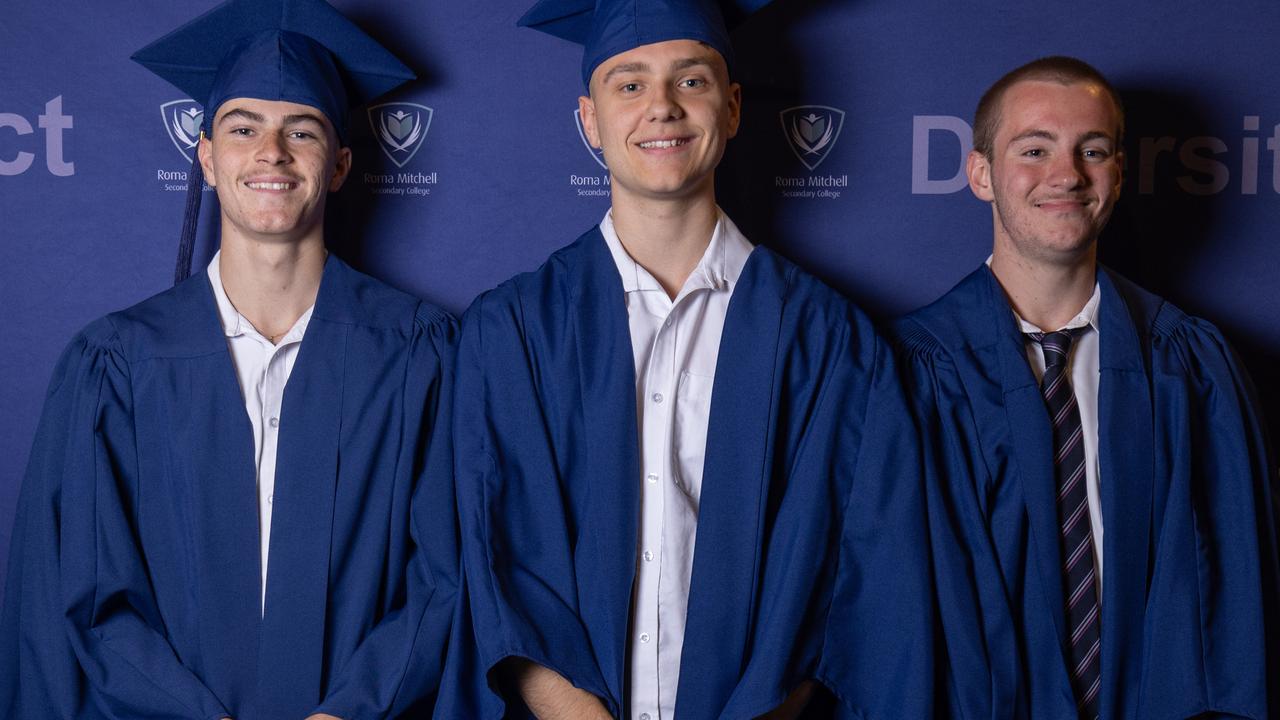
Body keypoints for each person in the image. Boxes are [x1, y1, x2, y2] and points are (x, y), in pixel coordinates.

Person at [444, 1, 940, 718]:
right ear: (589, 119)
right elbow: (500, 560)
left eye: (692, 81)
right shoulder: (513, 331)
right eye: (630, 84)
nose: (663, 109)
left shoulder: (829, 340)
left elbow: (859, 575)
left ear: (733, 108)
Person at [0, 1, 458, 718]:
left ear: (337, 165)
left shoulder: (417, 355)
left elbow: (449, 578)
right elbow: (79, 594)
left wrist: (350, 711)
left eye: (300, 130)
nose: (271, 152)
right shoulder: (118, 363)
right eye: (243, 129)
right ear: (207, 158)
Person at [895, 56, 1280, 718]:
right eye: (1034, 149)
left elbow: (1236, 600)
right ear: (981, 173)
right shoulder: (908, 373)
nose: (1066, 175)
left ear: (1119, 175)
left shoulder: (1192, 366)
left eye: (1092, 150)